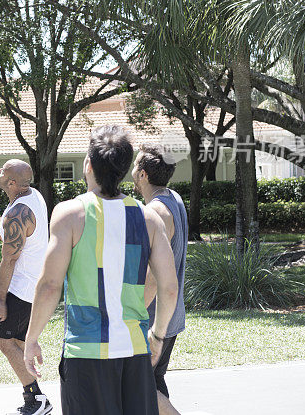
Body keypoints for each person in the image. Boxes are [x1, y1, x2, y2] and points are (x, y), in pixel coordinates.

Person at [23, 125, 178, 415]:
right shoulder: (149, 219)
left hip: (85, 354)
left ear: (88, 164)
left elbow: (49, 286)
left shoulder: (70, 214)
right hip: (134, 352)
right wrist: (157, 336)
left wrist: (31, 340)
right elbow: (168, 287)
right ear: (123, 170)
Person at [0, 159, 52, 415]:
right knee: (17, 341)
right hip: (35, 285)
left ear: (12, 182)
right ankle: (35, 398)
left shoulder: (16, 214)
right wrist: (0, 222)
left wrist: (0, 299)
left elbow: (9, 259)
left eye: (2, 170)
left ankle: (36, 400)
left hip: (22, 289)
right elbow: (15, 216)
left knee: (4, 342)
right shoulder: (31, 196)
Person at [132, 144, 188, 415]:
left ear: (142, 175)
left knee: (138, 387)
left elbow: (154, 278)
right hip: (170, 316)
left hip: (155, 320)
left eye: (134, 166)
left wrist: (132, 313)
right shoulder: (173, 198)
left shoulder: (155, 213)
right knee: (152, 383)